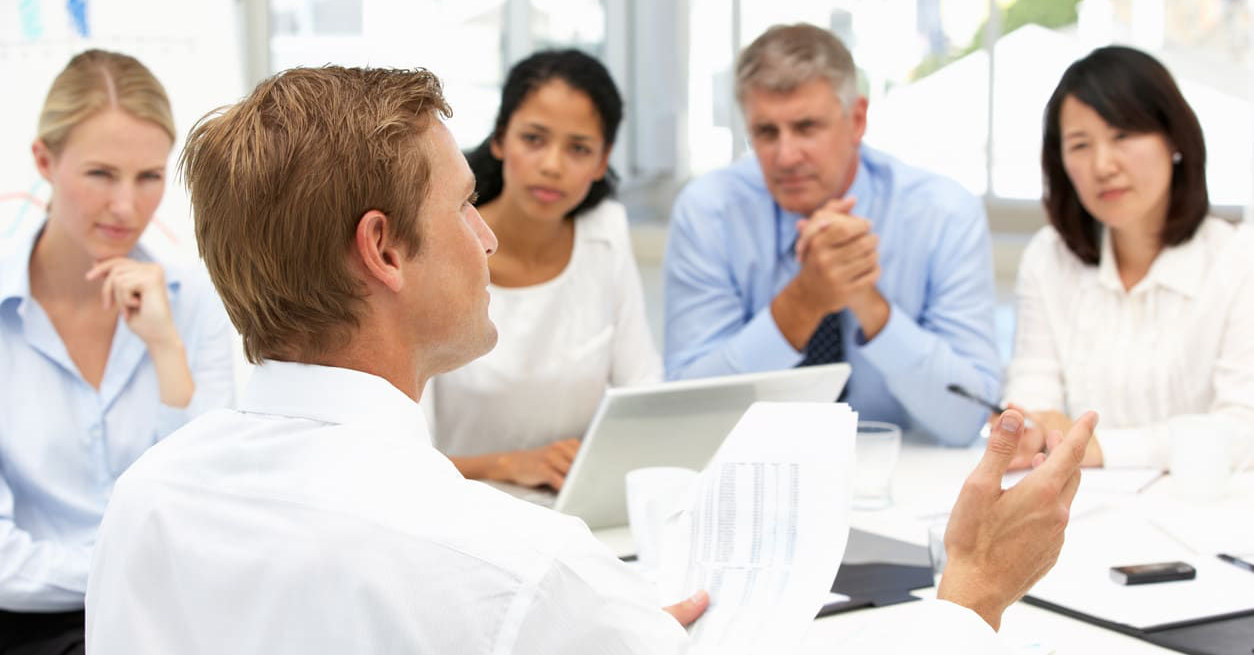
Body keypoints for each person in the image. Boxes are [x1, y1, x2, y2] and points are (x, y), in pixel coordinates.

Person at [85, 64, 1097, 654]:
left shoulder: (147, 501)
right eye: (462, 205)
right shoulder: (510, 563)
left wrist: (599, 628)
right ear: (384, 250)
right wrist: (973, 592)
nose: (486, 236)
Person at [663, 23, 1000, 447]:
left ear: (857, 120)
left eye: (806, 127)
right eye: (766, 132)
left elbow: (968, 419)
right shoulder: (710, 212)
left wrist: (864, 299)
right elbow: (689, 414)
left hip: (901, 471)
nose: (786, 156)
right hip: (756, 464)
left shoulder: (944, 214)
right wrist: (804, 301)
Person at [0, 49, 234, 654]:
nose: (127, 207)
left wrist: (165, 348)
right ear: (44, 161)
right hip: (34, 625)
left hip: (176, 617)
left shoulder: (193, 301)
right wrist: (131, 570)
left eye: (149, 177)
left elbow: (206, 497)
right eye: (101, 174)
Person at [1003, 45, 1254, 469]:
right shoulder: (1049, 257)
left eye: (1122, 135)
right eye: (1080, 145)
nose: (1103, 165)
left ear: (1174, 139)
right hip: (1080, 504)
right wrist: (1025, 430)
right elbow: (1033, 396)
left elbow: (1243, 431)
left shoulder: (1239, 259)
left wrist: (1098, 448)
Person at [428, 49, 660, 491]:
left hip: (573, 510)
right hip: (460, 508)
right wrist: (505, 465)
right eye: (534, 139)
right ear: (500, 139)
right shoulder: (441, 241)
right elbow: (398, 457)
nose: (552, 165)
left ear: (602, 160)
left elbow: (643, 390)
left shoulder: (606, 231)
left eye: (579, 148)